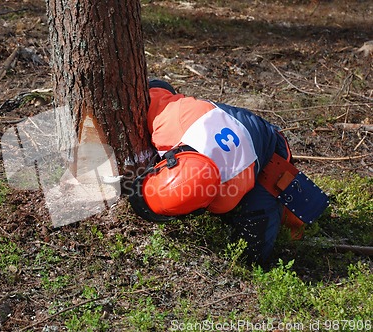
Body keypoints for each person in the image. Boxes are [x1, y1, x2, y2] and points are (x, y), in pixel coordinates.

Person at [129, 79, 329, 264]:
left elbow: (207, 202)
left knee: (252, 255)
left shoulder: (224, 200)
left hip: (270, 156)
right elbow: (157, 88)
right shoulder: (169, 120)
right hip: (238, 129)